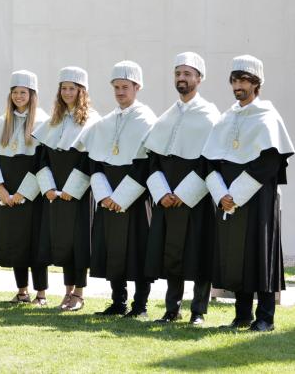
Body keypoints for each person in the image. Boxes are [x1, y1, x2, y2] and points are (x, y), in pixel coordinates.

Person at [202, 55, 293, 332]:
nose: (238, 86)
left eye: (244, 80)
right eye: (234, 80)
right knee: (236, 256)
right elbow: (209, 162)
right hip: (228, 199)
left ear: (256, 84)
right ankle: (241, 316)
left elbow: (269, 162)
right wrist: (221, 194)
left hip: (257, 198)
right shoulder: (227, 117)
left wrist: (236, 194)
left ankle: (264, 317)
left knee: (259, 254)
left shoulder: (267, 116)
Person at [142, 53, 219, 325]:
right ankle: (171, 309)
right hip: (167, 198)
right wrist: (162, 192)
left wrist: (184, 194)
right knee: (171, 253)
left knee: (200, 253)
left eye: (187, 74)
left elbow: (211, 160)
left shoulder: (210, 115)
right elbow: (153, 160)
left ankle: (198, 311)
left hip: (195, 199)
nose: (181, 78)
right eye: (178, 73)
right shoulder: (166, 117)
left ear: (199, 78)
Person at [81, 61, 157, 318]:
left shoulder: (147, 120)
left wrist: (122, 197)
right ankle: (118, 302)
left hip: (134, 196)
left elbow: (147, 163)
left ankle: (140, 305)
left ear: (137, 87)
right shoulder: (106, 121)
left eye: (125, 87)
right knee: (114, 249)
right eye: (116, 87)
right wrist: (104, 195)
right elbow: (94, 162)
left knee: (138, 250)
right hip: (108, 195)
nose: (120, 92)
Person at [33, 67, 100, 312]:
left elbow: (89, 160)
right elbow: (42, 158)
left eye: (72, 88)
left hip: (77, 192)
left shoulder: (92, 119)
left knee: (78, 243)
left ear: (81, 92)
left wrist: (72, 188)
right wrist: (49, 187)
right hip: (55, 191)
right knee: (61, 242)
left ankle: (79, 294)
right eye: (64, 88)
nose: (67, 92)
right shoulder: (54, 120)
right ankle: (67, 291)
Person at [0, 70, 50, 305]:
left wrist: (23, 193)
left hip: (31, 195)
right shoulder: (2, 122)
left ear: (32, 95)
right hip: (6, 193)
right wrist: (1, 190)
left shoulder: (43, 122)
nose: (18, 96)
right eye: (14, 92)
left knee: (34, 244)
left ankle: (41, 293)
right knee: (14, 243)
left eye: (23, 92)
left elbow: (42, 163)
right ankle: (22, 291)